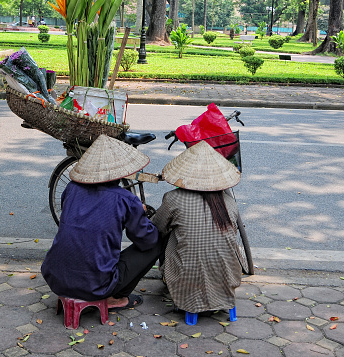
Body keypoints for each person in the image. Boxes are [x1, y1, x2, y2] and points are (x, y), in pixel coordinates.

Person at [41, 134, 163, 309]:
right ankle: (116, 298)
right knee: (155, 243)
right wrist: (140, 215)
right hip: (96, 286)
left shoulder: (72, 188)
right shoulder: (125, 200)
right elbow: (147, 240)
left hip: (54, 278)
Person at [152, 141, 242, 314]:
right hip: (227, 280)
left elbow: (157, 227)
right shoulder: (229, 203)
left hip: (186, 283)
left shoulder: (173, 198)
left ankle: (175, 283)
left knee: (171, 234)